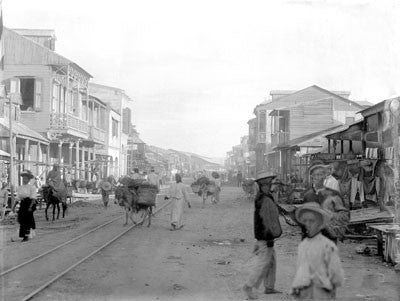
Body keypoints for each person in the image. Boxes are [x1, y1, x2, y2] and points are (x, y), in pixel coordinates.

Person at [291, 202, 344, 300]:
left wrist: (331, 289)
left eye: (312, 221)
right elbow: (301, 268)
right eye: (305, 221)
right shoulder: (303, 245)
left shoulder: (327, 245)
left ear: (319, 222)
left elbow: (336, 274)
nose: (308, 224)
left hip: (321, 292)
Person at [243, 171, 282, 300]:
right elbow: (266, 221)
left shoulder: (265, 197)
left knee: (271, 262)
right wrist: (269, 237)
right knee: (263, 263)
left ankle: (269, 287)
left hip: (263, 236)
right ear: (264, 185)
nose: (272, 185)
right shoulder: (264, 199)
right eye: (270, 183)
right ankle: (249, 285)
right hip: (265, 237)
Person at [303, 164, 350, 244]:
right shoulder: (308, 195)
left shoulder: (333, 188)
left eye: (320, 174)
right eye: (315, 175)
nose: (318, 177)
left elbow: (341, 211)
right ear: (312, 177)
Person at [16, 170, 37, 242]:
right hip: (23, 204)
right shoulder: (20, 187)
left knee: (28, 219)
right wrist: (13, 207)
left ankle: (26, 235)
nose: (24, 180)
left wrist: (30, 207)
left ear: (28, 179)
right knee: (21, 219)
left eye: (26, 178)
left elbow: (33, 198)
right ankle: (23, 234)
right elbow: (18, 197)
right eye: (23, 178)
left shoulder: (32, 187)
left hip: (29, 203)